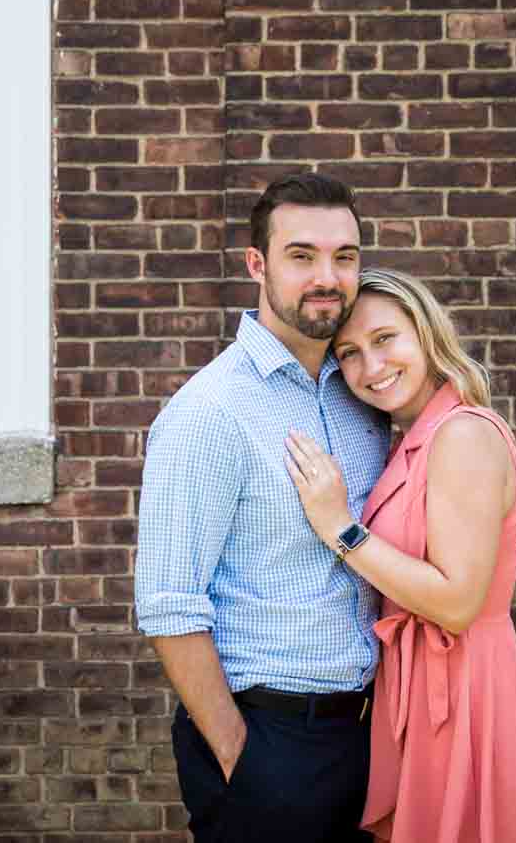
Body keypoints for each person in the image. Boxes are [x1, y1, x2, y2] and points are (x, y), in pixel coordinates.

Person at [283, 268, 516, 843]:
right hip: (419, 693)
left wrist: (340, 528)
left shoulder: (464, 434)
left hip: (471, 695)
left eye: (385, 340)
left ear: (426, 334)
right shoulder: (410, 438)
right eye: (349, 353)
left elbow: (456, 603)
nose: (371, 368)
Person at [136, 173, 387, 843]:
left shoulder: (364, 394)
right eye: (301, 255)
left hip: (372, 736)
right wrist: (239, 754)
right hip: (270, 743)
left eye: (346, 256)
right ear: (258, 263)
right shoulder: (208, 412)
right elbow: (169, 603)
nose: (328, 276)